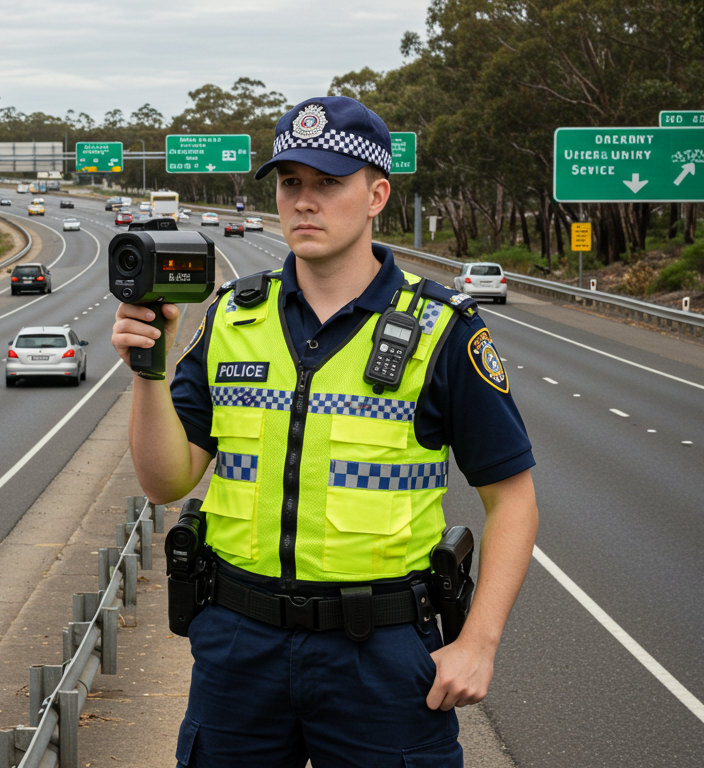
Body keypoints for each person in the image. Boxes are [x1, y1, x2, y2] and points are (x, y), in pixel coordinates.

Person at [110, 96, 539, 767]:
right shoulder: (231, 318)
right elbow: (165, 482)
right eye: (290, 182)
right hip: (238, 649)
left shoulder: (443, 329)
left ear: (376, 196)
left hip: (381, 657)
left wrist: (479, 644)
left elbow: (512, 499)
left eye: (328, 183)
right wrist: (149, 370)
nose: (304, 202)